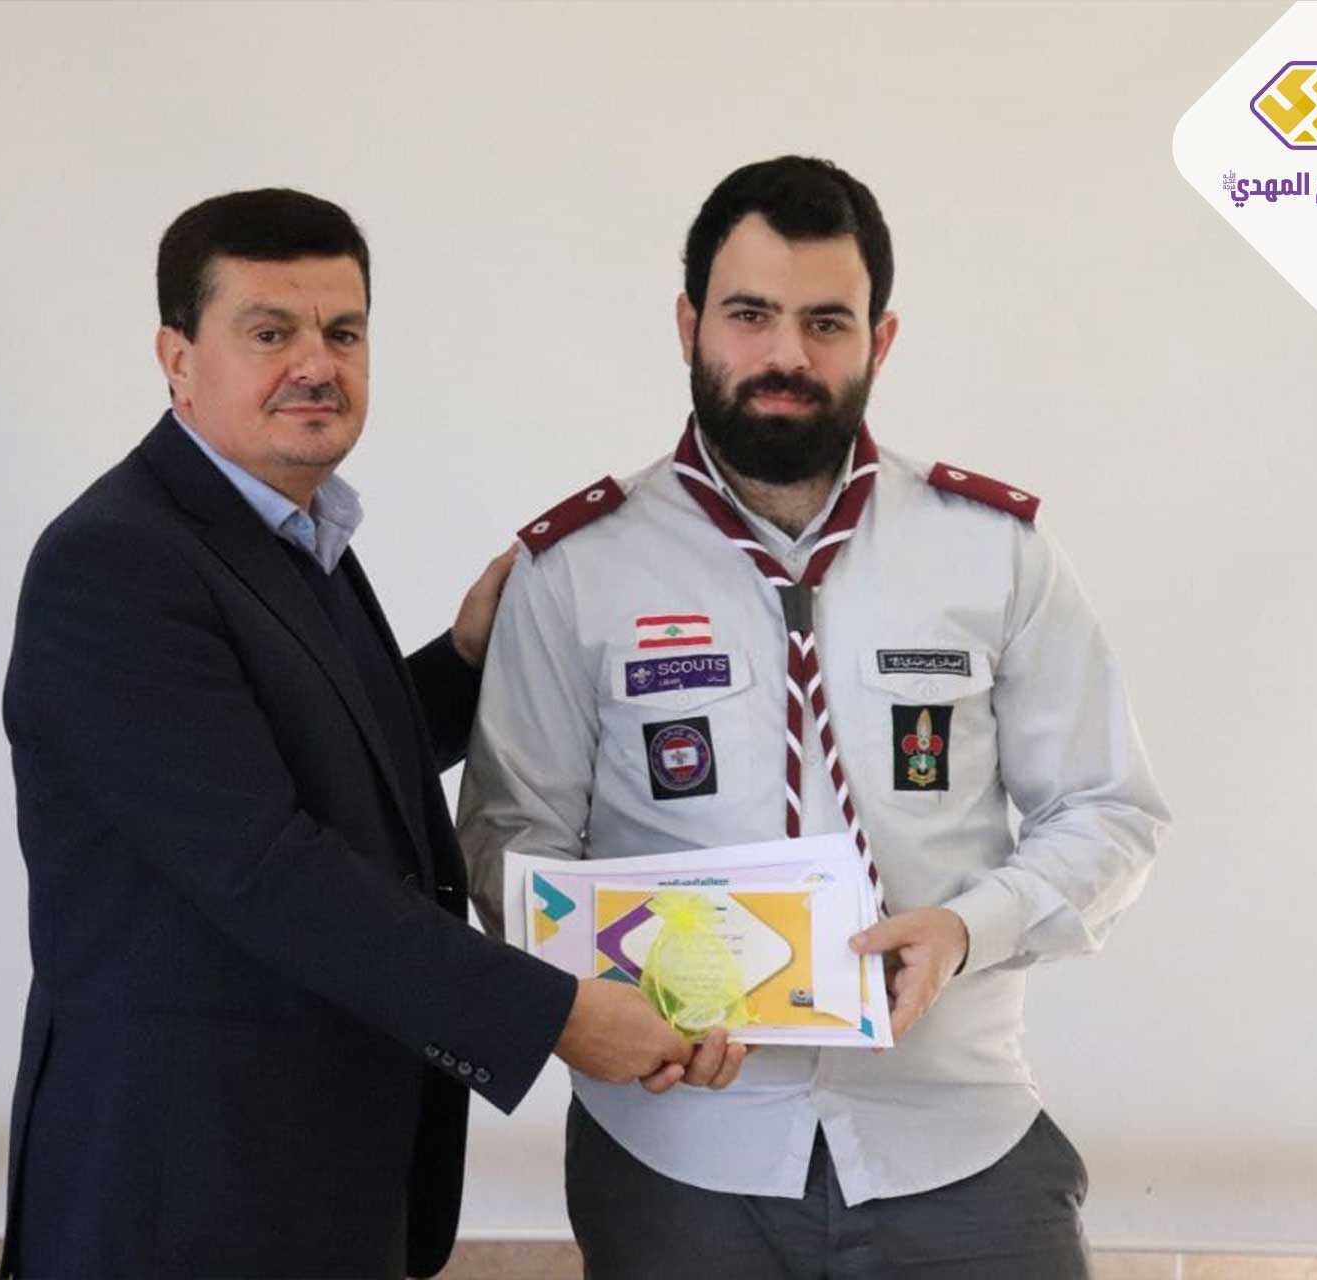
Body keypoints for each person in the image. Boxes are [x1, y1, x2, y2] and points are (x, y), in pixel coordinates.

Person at [458, 156, 1171, 1278]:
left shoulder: (991, 550)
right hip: (679, 1154)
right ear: (690, 324)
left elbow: (1109, 812)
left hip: (958, 1140)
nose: (786, 354)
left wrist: (968, 929)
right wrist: (594, 999)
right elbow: (513, 840)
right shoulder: (578, 569)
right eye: (750, 314)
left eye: (825, 322)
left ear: (880, 340)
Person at [0, 187, 693, 1279]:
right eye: (270, 332)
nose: (316, 365)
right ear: (177, 359)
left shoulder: (290, 527)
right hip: (182, 1192)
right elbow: (265, 866)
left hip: (309, 1168)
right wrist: (553, 1014)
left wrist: (464, 659)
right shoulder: (117, 561)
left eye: (344, 332)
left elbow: (314, 755)